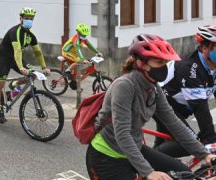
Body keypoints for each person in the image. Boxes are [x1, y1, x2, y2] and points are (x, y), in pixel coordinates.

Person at [86, 34, 216, 180]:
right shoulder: (124, 86)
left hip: (134, 148)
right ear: (141, 63)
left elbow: (173, 122)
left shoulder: (153, 87)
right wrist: (148, 172)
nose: (164, 67)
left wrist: (204, 154)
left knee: (184, 172)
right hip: (107, 155)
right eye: (159, 62)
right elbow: (122, 134)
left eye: (165, 62)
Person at [153, 25, 216, 158]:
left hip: (178, 108)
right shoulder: (190, 69)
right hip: (160, 105)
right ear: (205, 48)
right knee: (191, 144)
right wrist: (210, 139)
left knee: (166, 143)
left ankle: (153, 169)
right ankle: (145, 159)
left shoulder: (213, 66)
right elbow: (200, 108)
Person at [0, 7, 50, 124]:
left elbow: (38, 52)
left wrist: (44, 67)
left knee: (33, 75)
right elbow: (17, 51)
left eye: (31, 19)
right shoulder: (15, 32)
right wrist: (22, 68)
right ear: (21, 19)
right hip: (4, 58)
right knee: (0, 84)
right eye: (26, 18)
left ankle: (14, 85)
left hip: (16, 59)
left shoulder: (30, 35)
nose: (29, 20)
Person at [61, 23, 102, 89]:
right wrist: (82, 59)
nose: (84, 36)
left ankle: (73, 82)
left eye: (85, 35)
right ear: (78, 33)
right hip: (66, 52)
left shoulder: (83, 39)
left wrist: (97, 52)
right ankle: (67, 71)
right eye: (82, 34)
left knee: (79, 66)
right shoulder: (76, 40)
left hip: (73, 53)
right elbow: (78, 50)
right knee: (79, 61)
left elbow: (90, 45)